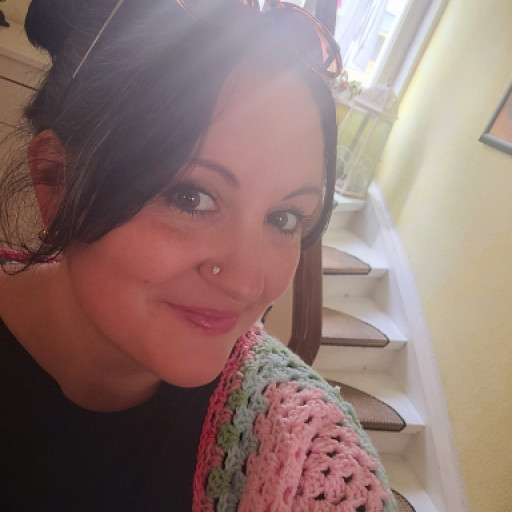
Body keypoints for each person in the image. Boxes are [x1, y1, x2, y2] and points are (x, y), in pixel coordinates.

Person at [0, 1, 396, 510]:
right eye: (191, 197)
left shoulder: (305, 452)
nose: (247, 283)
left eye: (284, 218)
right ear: (54, 180)